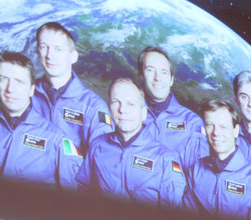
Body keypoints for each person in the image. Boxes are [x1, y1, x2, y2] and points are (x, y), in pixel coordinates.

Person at [0, 51, 81, 188]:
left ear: (31, 90)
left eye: (19, 81)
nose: (10, 89)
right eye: (3, 79)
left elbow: (74, 196)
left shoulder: (57, 139)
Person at [76, 78, 186, 206]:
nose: (122, 110)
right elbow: (82, 192)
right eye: (115, 102)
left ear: (143, 113)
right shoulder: (97, 146)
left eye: (130, 104)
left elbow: (172, 216)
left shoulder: (165, 160)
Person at [182, 99, 251, 220]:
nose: (216, 133)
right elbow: (186, 219)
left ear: (236, 131)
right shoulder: (196, 169)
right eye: (210, 125)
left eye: (223, 126)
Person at [31, 22, 112, 156]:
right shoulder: (25, 97)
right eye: (44, 47)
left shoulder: (94, 107)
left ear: (73, 56)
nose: (49, 55)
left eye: (58, 49)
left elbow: (103, 159)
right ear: (38, 52)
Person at [137, 47, 208, 174]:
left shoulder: (192, 123)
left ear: (171, 79)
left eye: (164, 72)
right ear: (141, 75)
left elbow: (199, 178)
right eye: (150, 70)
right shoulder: (128, 115)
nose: (157, 78)